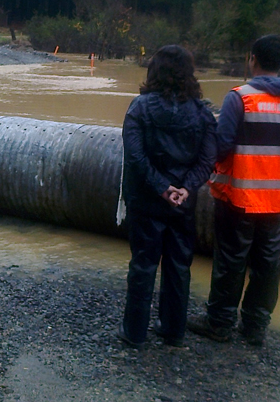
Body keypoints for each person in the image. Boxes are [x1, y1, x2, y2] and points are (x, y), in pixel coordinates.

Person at [188, 34, 280, 347]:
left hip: (240, 197)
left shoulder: (240, 97)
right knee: (267, 263)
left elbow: (223, 145)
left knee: (231, 260)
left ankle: (220, 323)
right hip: (278, 201)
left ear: (252, 58)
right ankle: (255, 328)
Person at [118, 45, 217, 349]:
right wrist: (186, 188)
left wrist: (162, 187)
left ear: (154, 70)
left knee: (143, 264)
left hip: (147, 200)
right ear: (189, 73)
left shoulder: (140, 108)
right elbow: (208, 159)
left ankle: (134, 332)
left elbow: (135, 156)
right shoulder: (202, 113)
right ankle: (173, 330)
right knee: (178, 266)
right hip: (183, 204)